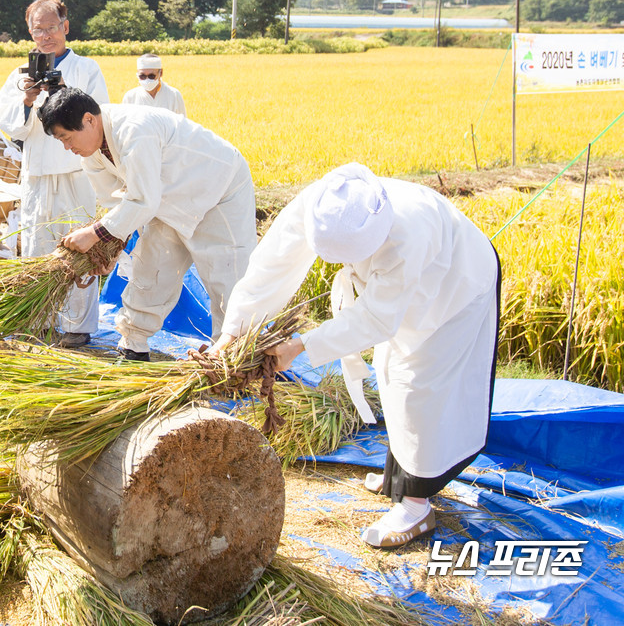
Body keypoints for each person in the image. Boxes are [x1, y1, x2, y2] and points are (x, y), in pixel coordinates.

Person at [214, 162, 500, 548]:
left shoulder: (409, 233)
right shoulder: (325, 203)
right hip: (404, 297)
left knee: (421, 387)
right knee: (390, 373)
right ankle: (400, 474)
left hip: (454, 289)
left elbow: (376, 319)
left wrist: (299, 346)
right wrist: (234, 329)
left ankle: (416, 505)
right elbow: (274, 262)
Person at [39, 89, 256, 360]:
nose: (67, 148)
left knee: (227, 274)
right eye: (61, 141)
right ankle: (134, 342)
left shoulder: (134, 129)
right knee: (152, 267)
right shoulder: (91, 155)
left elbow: (142, 200)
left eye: (67, 138)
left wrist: (94, 234)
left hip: (218, 189)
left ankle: (232, 355)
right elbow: (119, 205)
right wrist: (110, 247)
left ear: (89, 120)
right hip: (164, 199)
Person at [0, 0, 109, 348]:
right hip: (37, 174)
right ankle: (40, 320)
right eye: (37, 29)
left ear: (66, 26)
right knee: (36, 246)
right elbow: (7, 125)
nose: (45, 35)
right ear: (29, 32)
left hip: (78, 172)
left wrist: (61, 93)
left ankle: (77, 326)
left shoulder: (86, 68)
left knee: (79, 246)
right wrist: (28, 101)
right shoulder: (20, 76)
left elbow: (97, 115)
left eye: (51, 27)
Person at [121, 54, 186, 117]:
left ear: (160, 73)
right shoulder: (130, 97)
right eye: (142, 76)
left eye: (151, 76)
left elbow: (182, 125)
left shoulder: (174, 95)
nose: (147, 80)